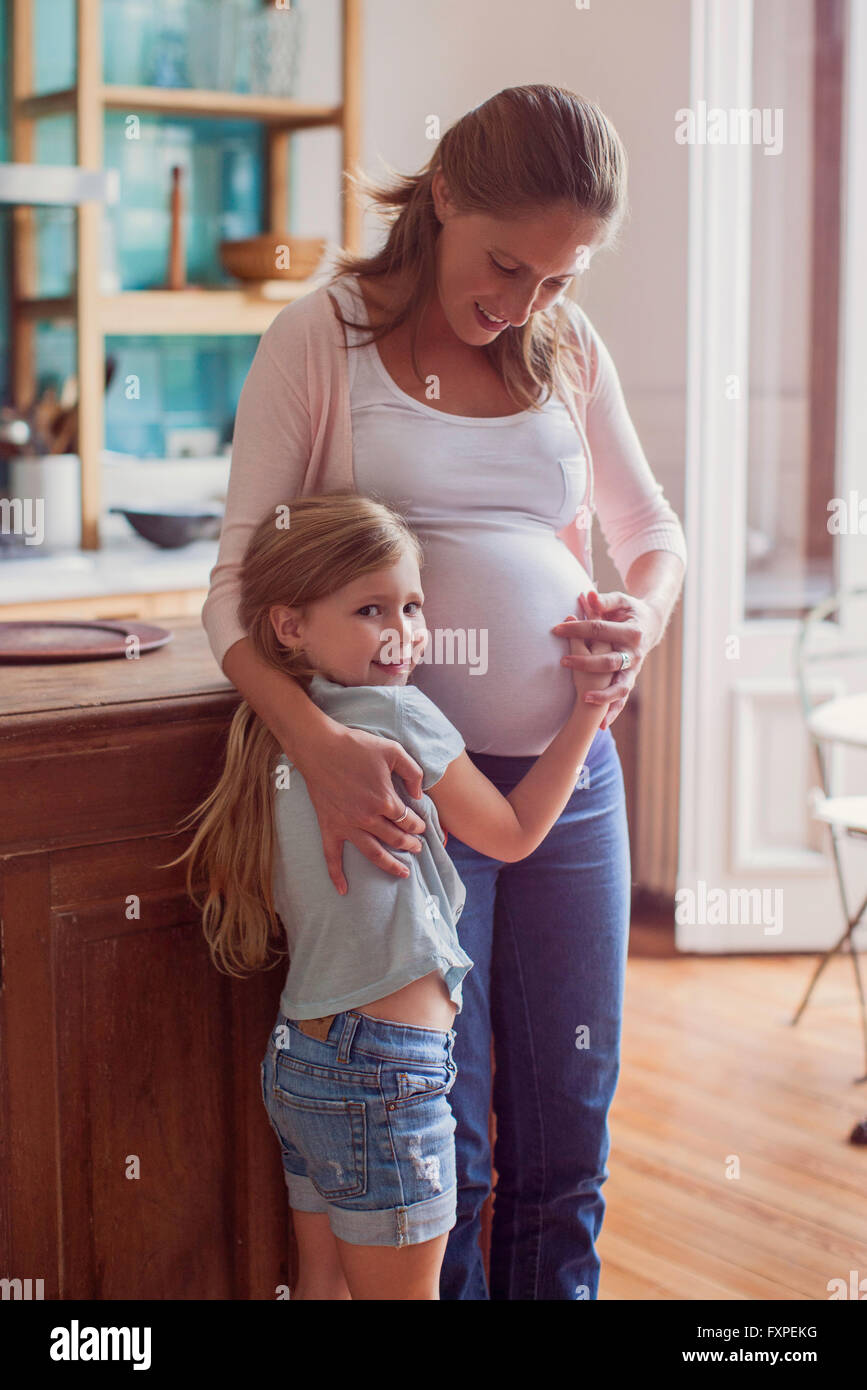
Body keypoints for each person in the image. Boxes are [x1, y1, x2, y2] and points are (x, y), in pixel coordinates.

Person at [200, 83, 687, 1300]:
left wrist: (640, 621)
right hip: (404, 800)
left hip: (569, 787)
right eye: (507, 265)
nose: (523, 305)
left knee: (569, 1127)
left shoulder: (566, 348)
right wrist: (314, 744)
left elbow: (651, 530)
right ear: (448, 199)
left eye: (560, 279)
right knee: (440, 1134)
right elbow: (229, 598)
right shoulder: (324, 340)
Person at [170, 491, 612, 1299]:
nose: (402, 631)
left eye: (411, 606)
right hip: (386, 1074)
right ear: (289, 625)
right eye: (371, 609)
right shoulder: (402, 714)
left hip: (302, 1062)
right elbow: (512, 834)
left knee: (322, 1291)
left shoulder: (275, 728)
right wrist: (589, 710)